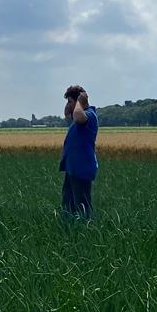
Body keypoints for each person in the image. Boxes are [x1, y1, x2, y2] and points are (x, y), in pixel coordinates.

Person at [59, 85, 99, 219]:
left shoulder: (89, 115)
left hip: (82, 168)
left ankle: (86, 229)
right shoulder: (79, 115)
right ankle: (70, 229)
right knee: (68, 207)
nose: (68, 105)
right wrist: (70, 105)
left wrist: (80, 102)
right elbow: (69, 116)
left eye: (70, 101)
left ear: (78, 102)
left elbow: (78, 117)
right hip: (73, 168)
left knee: (82, 209)